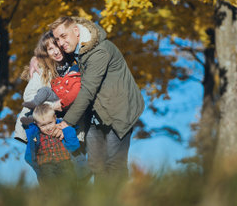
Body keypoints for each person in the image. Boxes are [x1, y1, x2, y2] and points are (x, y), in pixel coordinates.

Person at [48, 16, 145, 182]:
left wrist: (67, 122)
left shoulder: (100, 51)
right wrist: (36, 59)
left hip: (118, 111)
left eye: (64, 36)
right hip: (95, 114)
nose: (61, 43)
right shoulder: (75, 51)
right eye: (57, 39)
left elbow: (87, 90)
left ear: (76, 31)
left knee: (114, 164)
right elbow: (49, 50)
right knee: (96, 165)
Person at [14, 31, 77, 144]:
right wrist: (53, 106)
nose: (56, 51)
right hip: (43, 124)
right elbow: (29, 97)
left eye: (57, 46)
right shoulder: (42, 69)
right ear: (46, 52)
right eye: (50, 49)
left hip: (64, 123)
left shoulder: (73, 65)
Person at [24, 103, 80, 184]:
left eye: (50, 123)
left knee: (70, 188)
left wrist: (67, 130)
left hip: (65, 164)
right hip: (46, 167)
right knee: (52, 190)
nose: (48, 128)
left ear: (55, 118)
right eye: (43, 125)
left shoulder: (62, 130)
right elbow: (29, 155)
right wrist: (38, 169)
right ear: (36, 124)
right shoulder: (36, 137)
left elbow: (74, 146)